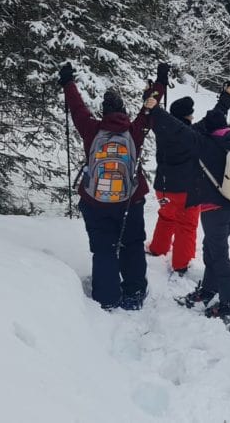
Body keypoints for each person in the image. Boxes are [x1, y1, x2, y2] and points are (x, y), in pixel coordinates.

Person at [145, 76, 230, 320]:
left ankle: (229, 301)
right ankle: (208, 289)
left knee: (218, 254)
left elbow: (176, 128)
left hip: (215, 209)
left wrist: (156, 110)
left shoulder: (201, 143)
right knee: (211, 248)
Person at [59, 62, 157, 311]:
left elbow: (77, 108)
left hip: (96, 201)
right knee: (132, 243)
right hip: (130, 199)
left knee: (104, 249)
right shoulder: (134, 129)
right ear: (124, 111)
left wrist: (68, 82)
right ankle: (134, 292)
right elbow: (151, 108)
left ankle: (107, 296)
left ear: (103, 112)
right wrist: (156, 88)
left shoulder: (91, 128)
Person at [146, 63, 203, 275]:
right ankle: (182, 263)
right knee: (186, 226)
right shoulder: (188, 135)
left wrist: (159, 82)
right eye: (190, 114)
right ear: (186, 117)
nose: (193, 117)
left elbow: (154, 110)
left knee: (166, 217)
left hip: (162, 187)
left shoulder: (161, 129)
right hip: (184, 191)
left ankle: (157, 249)